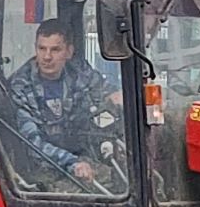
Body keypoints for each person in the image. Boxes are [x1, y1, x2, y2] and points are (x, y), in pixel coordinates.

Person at [7, 18, 122, 183]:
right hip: (42, 169)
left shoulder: (79, 72)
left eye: (55, 50)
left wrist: (118, 99)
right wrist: (72, 163)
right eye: (42, 49)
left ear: (69, 52)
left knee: (141, 179)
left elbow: (108, 93)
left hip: (83, 155)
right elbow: (32, 144)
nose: (47, 57)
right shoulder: (21, 87)